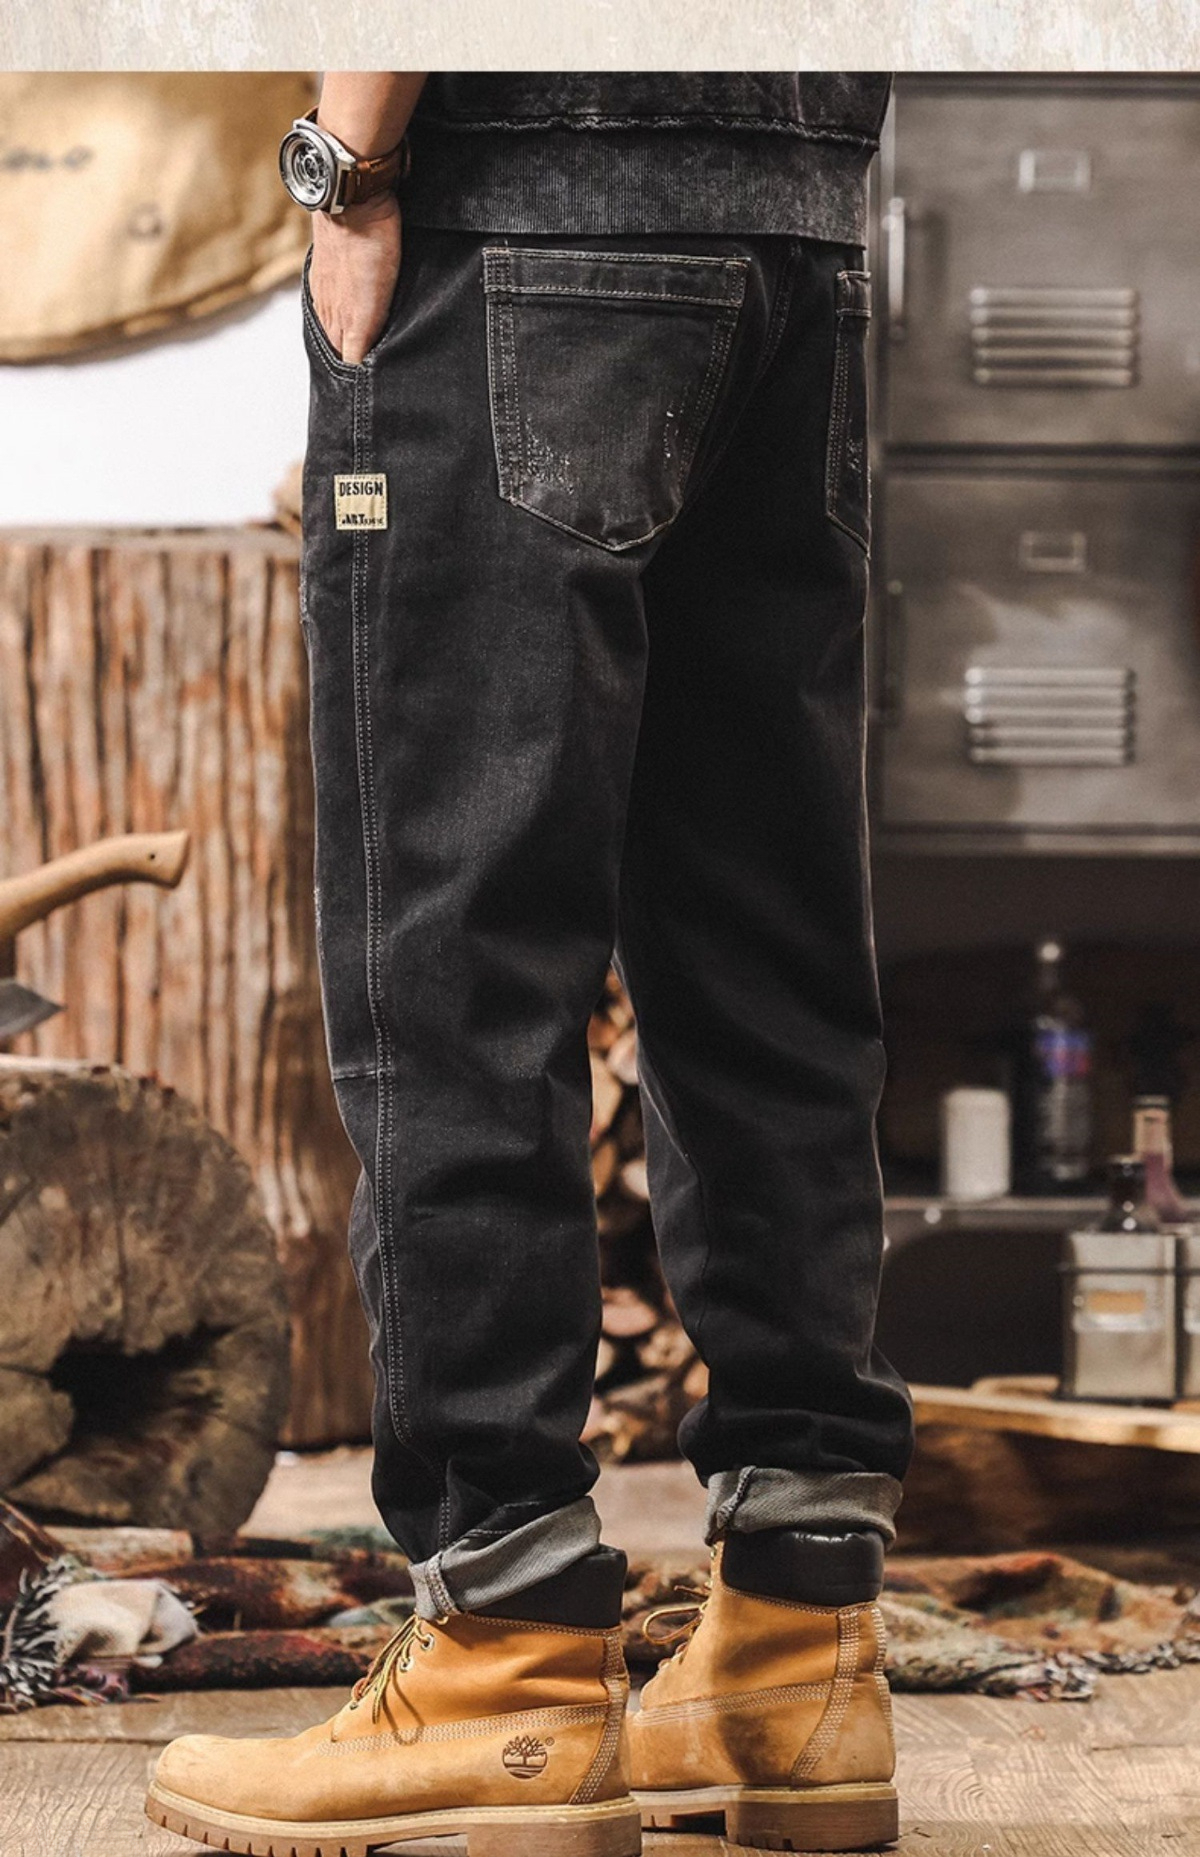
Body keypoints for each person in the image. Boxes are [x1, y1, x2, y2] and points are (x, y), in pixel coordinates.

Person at [147, 70, 914, 1857]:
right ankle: (799, 1644)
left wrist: (350, 160)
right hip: (792, 225)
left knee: (455, 954)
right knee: (765, 942)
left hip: (517, 212)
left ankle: (502, 1654)